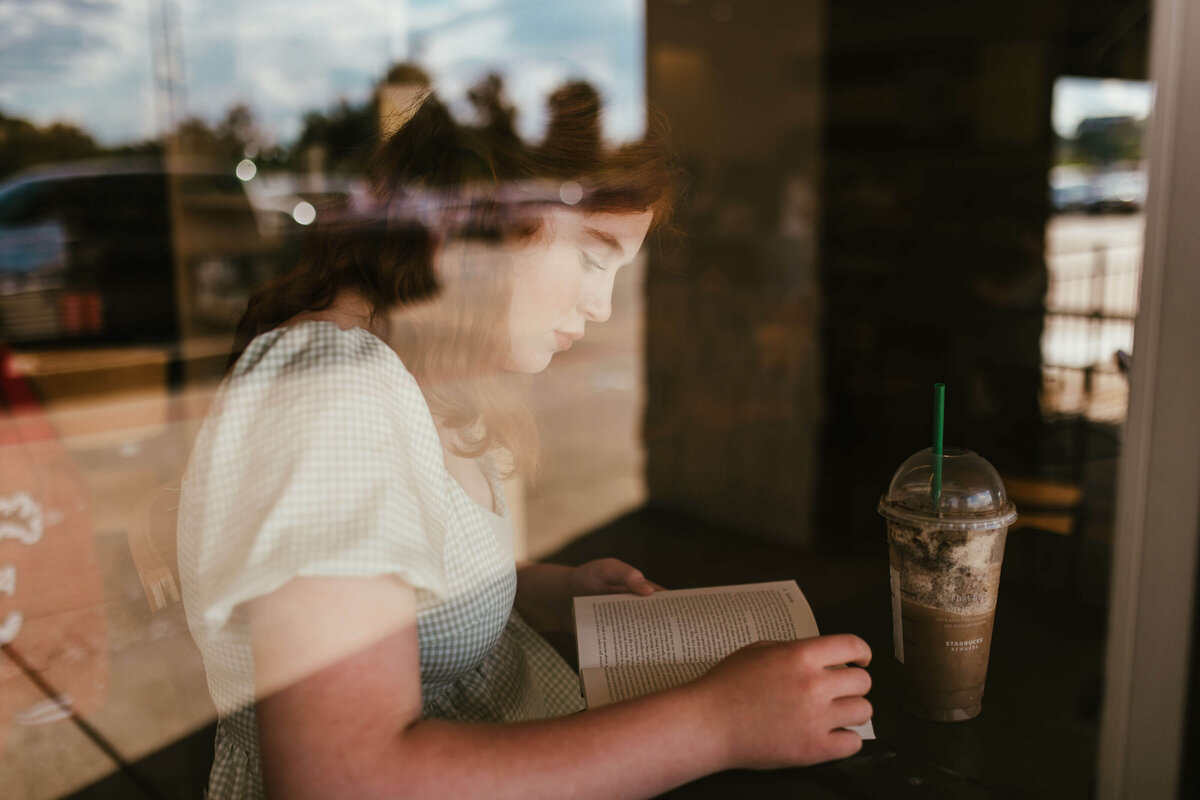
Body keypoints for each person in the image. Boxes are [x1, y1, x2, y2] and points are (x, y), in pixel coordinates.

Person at [178, 88, 872, 800]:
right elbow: (346, 781)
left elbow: (400, 589)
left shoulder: (416, 368)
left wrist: (545, 592)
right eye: (594, 256)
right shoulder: (335, 393)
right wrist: (718, 721)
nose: (600, 307)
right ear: (482, 222)